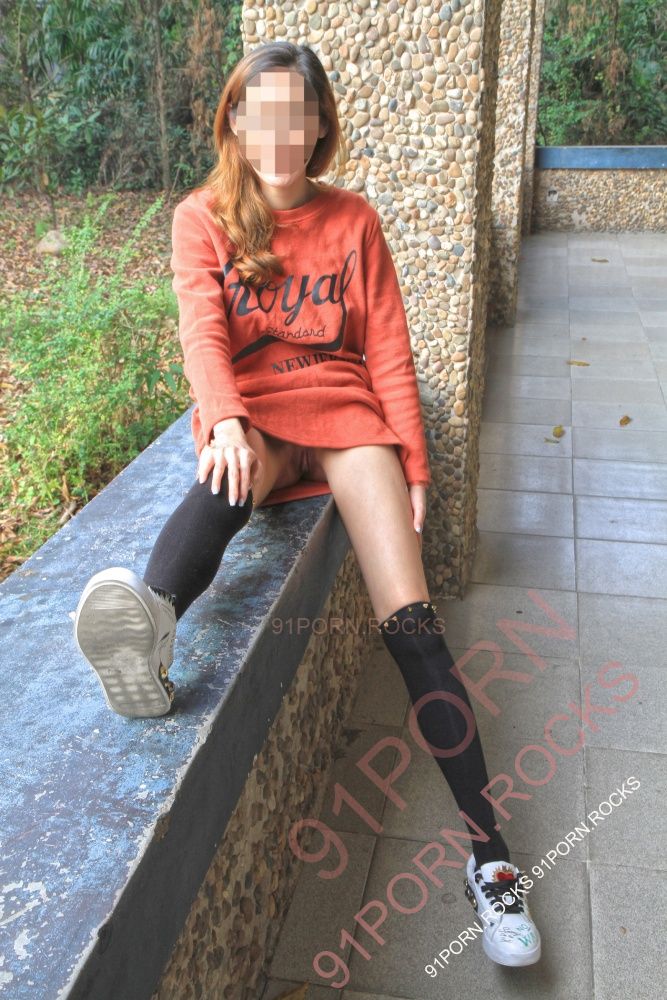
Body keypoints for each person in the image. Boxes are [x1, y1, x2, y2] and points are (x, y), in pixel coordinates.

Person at [73, 41, 541, 967]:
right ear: (236, 123)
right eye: (265, 115)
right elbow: (202, 334)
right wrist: (223, 418)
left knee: (412, 623)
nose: (282, 135)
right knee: (227, 469)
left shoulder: (352, 219)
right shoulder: (202, 218)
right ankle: (154, 617)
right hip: (256, 416)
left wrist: (414, 464)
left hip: (346, 416)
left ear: (321, 124)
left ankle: (489, 858)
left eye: (300, 115)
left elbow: (388, 347)